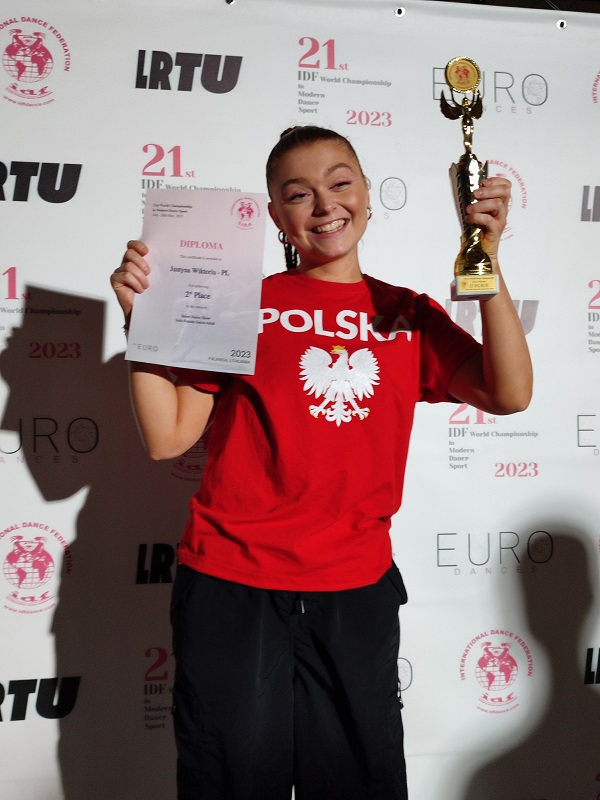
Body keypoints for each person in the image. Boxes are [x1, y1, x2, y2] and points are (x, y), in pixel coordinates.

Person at [110, 125, 532, 800]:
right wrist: (145, 322)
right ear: (276, 216)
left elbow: (509, 393)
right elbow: (168, 437)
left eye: (340, 182)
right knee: (228, 782)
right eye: (297, 194)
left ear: (367, 193)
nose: (325, 204)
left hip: (355, 590)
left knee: (356, 784)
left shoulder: (407, 314)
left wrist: (486, 258)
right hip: (231, 583)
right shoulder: (241, 301)